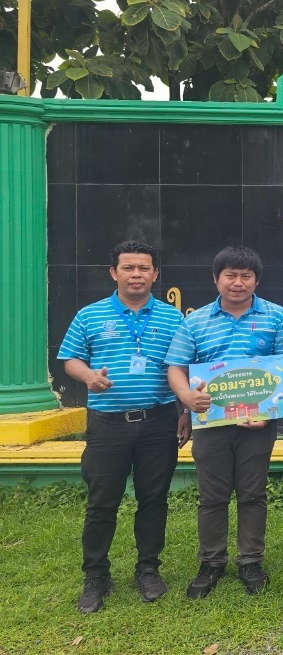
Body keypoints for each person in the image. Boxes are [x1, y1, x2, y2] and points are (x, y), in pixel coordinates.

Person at [59, 240, 189, 613]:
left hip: (159, 421)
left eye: (144, 268)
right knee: (102, 503)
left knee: (153, 499)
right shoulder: (90, 315)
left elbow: (180, 367)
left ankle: (148, 568)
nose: (137, 274)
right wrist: (87, 376)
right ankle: (96, 575)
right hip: (107, 425)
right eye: (128, 268)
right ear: (114, 273)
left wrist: (185, 411)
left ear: (155, 274)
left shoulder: (172, 318)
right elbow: (70, 359)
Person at [165, 246, 283, 598]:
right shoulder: (195, 321)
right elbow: (176, 367)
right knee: (212, 496)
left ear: (257, 280)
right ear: (216, 279)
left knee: (253, 493)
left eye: (245, 276)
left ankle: (250, 561)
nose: (238, 283)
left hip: (257, 424)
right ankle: (211, 562)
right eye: (230, 276)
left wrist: (266, 411)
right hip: (211, 420)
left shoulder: (277, 317)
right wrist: (187, 401)